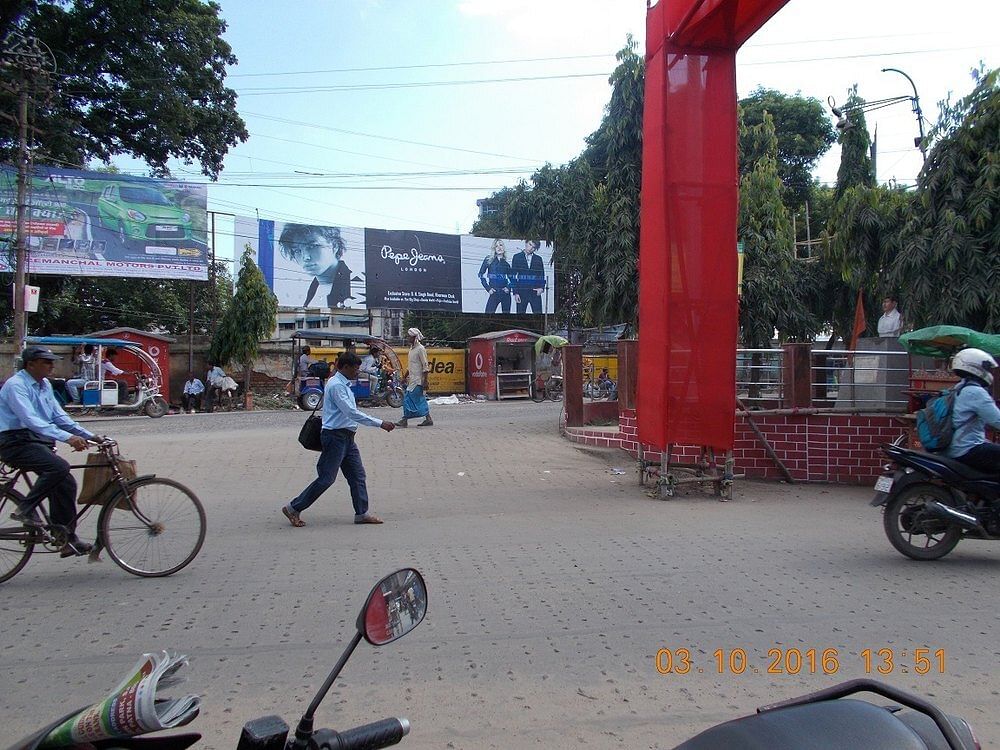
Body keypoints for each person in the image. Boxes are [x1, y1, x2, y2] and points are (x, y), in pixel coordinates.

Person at [0, 347, 99, 557]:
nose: (51, 366)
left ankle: (65, 538)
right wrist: (68, 438)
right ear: (31, 364)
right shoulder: (16, 386)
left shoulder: (44, 385)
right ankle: (24, 509)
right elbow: (31, 420)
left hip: (34, 441)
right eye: (46, 362)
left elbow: (59, 417)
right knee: (58, 467)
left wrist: (90, 435)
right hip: (13, 442)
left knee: (66, 482)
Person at [281, 351, 395, 527]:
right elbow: (351, 412)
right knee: (326, 478)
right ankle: (293, 507)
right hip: (335, 437)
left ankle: (361, 513)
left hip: (347, 437)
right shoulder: (337, 386)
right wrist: (380, 423)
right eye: (355, 369)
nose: (357, 372)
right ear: (345, 367)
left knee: (357, 476)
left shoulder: (343, 384)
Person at [944, 348, 1000, 474]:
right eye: (986, 368)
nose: (989, 372)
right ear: (976, 367)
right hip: (967, 449)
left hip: (953, 448)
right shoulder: (976, 392)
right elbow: (997, 420)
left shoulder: (958, 388)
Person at [278, 224, 353, 309]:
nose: (306, 257)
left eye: (312, 246)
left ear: (334, 246)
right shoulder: (310, 290)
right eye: (297, 250)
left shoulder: (355, 283)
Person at [396, 328, 432, 427]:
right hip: (412, 379)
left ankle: (404, 420)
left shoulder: (420, 349)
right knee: (420, 399)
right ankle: (428, 419)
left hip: (418, 380)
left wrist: (425, 381)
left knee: (408, 399)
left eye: (409, 336)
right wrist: (404, 377)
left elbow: (425, 366)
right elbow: (410, 366)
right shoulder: (412, 350)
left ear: (415, 337)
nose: (408, 338)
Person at [511, 239, 546, 314]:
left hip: (535, 292)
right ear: (526, 243)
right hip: (521, 292)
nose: (531, 248)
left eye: (533, 247)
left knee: (539, 316)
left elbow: (541, 275)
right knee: (520, 316)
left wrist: (541, 288)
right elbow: (513, 276)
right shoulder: (517, 257)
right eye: (530, 244)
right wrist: (516, 293)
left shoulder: (538, 259)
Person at [478, 238, 512, 314]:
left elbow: (512, 279)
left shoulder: (506, 264)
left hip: (505, 294)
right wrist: (488, 288)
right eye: (496, 246)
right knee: (488, 314)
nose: (499, 247)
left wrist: (509, 287)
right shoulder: (488, 260)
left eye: (501, 245)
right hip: (494, 292)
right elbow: (480, 274)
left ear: (504, 247)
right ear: (494, 249)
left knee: (506, 317)